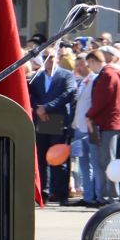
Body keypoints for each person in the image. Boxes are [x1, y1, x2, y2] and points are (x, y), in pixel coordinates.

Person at [29, 51, 77, 205]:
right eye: (45, 58)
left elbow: (69, 93)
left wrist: (47, 108)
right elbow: (31, 94)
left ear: (58, 58)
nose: (48, 61)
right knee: (42, 158)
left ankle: (61, 193)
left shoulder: (66, 75)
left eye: (51, 57)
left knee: (58, 159)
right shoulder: (38, 77)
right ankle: (43, 192)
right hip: (41, 121)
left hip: (58, 119)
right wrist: (38, 109)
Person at [89, 45, 120, 202]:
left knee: (107, 160)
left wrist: (89, 115)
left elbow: (102, 99)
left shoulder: (108, 74)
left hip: (107, 123)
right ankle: (106, 195)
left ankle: (112, 196)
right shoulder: (107, 74)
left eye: (89, 64)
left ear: (93, 61)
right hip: (104, 122)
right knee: (104, 160)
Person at [69, 52, 99, 206]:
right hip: (78, 127)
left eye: (81, 64)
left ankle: (93, 194)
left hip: (89, 127)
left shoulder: (94, 79)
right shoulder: (81, 82)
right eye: (77, 65)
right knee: (82, 162)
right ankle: (87, 195)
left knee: (92, 162)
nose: (79, 68)